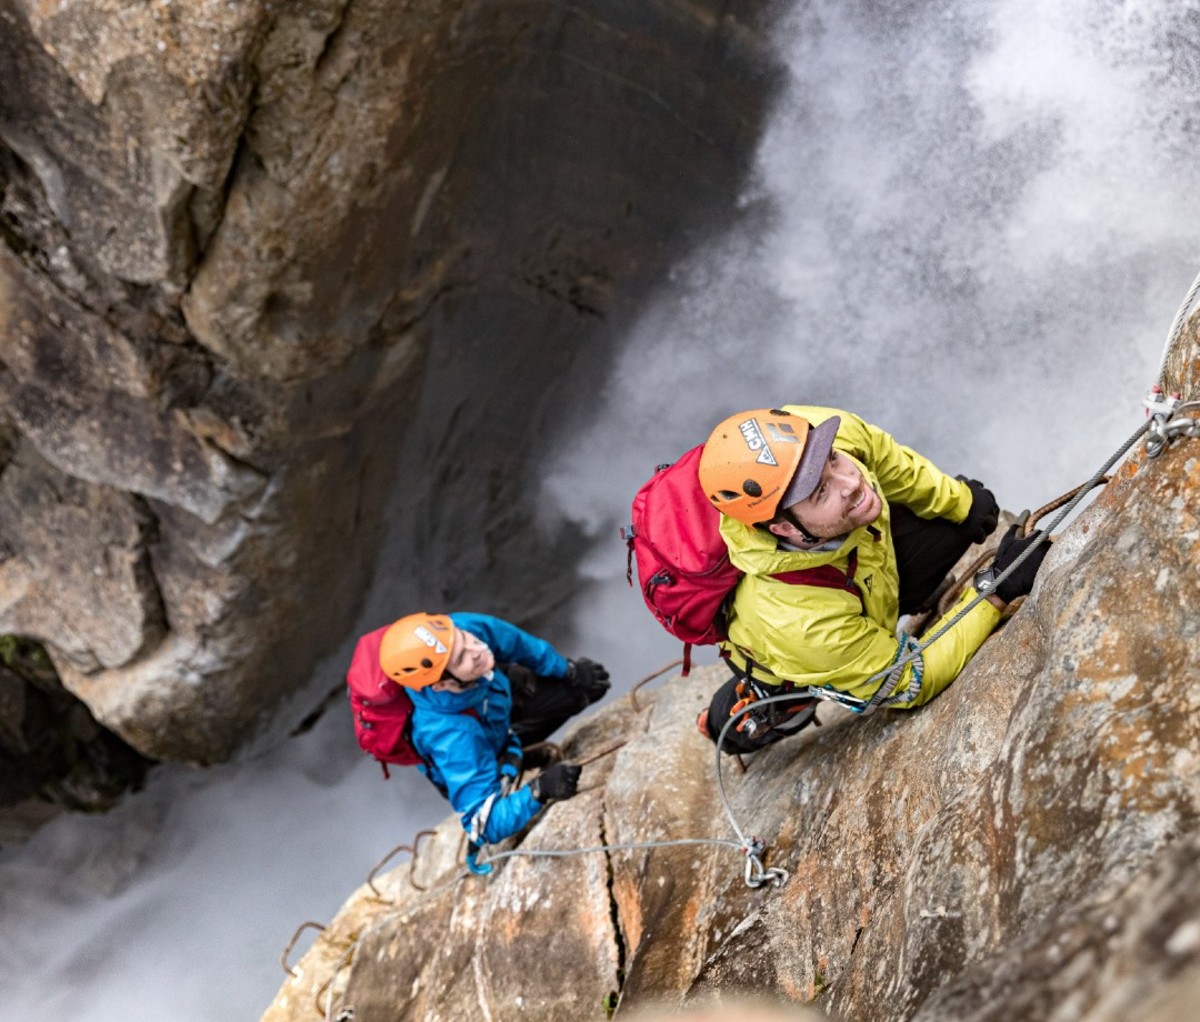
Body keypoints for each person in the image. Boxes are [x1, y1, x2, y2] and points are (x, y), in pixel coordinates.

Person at [696, 405, 1049, 752]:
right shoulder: (799, 626)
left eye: (833, 459)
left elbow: (878, 452)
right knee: (771, 712)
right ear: (784, 528)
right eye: (820, 492)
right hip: (803, 647)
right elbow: (912, 677)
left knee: (961, 519)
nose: (851, 481)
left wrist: (958, 501)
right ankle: (721, 726)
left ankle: (907, 597)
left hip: (863, 571)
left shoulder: (808, 435)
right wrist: (997, 588)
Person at [372, 612, 610, 846]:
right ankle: (509, 757)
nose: (477, 650)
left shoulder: (453, 633)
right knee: (492, 780)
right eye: (460, 658)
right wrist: (539, 791)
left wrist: (567, 669)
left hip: (495, 694)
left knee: (583, 690)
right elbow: (481, 825)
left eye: (465, 639)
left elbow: (515, 642)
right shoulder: (450, 735)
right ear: (441, 684)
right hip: (479, 739)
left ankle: (515, 749)